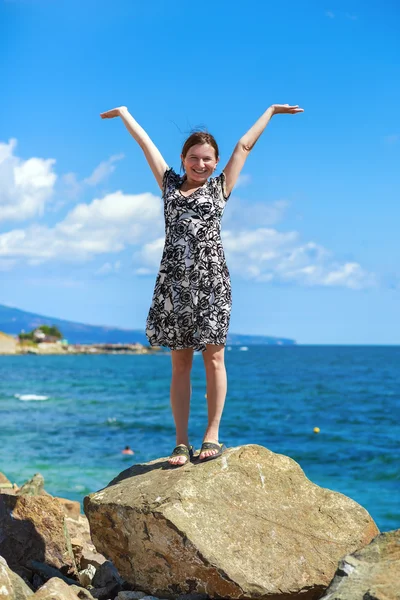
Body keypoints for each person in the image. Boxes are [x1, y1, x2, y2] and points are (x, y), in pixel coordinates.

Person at [100, 103, 304, 466]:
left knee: (214, 357)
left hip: (212, 284)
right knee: (180, 364)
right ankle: (181, 442)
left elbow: (244, 146)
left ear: (215, 161)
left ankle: (212, 435)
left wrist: (271, 112)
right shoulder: (168, 186)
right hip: (174, 286)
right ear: (183, 158)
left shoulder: (220, 188)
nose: (200, 164)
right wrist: (124, 115)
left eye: (207, 159)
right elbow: (146, 144)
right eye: (194, 158)